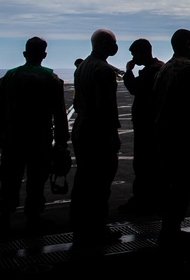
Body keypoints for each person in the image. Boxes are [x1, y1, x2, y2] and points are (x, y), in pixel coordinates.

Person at [0, 37, 69, 235]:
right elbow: (60, 114)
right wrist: (61, 142)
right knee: (36, 181)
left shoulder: (9, 77)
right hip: (39, 139)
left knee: (9, 179)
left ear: (25, 54)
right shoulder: (51, 79)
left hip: (12, 139)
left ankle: (4, 219)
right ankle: (33, 217)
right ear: (44, 55)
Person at [70, 29, 122, 247]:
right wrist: (113, 135)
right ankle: (97, 229)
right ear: (102, 43)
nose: (115, 46)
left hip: (82, 126)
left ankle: (81, 227)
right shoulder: (104, 70)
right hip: (98, 131)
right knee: (100, 183)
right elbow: (107, 108)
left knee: (83, 180)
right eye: (112, 42)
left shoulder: (82, 66)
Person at [153, 29, 190, 250]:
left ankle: (168, 227)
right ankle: (172, 230)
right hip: (184, 135)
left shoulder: (164, 69)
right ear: (184, 44)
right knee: (183, 183)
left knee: (168, 182)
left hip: (164, 134)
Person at [118, 38, 165, 215]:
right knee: (152, 163)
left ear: (141, 53)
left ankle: (143, 199)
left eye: (134, 54)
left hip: (146, 123)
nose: (133, 58)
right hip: (152, 122)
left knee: (144, 163)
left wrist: (128, 71)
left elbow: (134, 88)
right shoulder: (158, 68)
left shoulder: (151, 71)